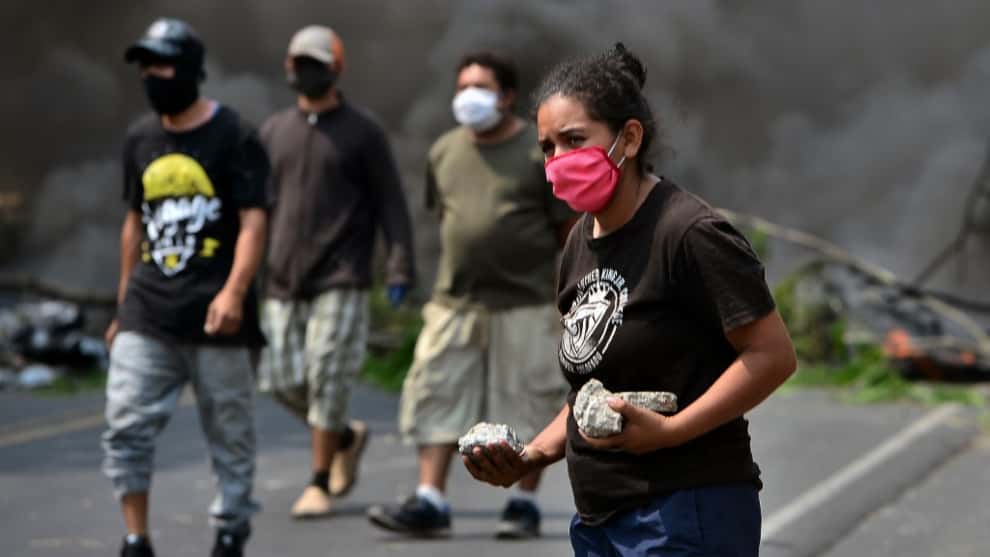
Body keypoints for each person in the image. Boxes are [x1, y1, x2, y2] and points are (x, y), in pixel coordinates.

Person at [462, 43, 797, 557]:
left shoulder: (688, 233)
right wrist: (532, 455)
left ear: (631, 138)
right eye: (548, 147)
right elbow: (593, 390)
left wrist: (671, 431)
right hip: (601, 520)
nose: (558, 161)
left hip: (684, 511)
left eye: (575, 140)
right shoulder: (579, 243)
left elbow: (772, 355)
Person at [367, 51, 575, 539]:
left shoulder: (537, 152)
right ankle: (430, 500)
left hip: (526, 303)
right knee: (435, 394)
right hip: (455, 303)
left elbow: (567, 230)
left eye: (480, 87)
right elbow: (449, 219)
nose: (468, 97)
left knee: (532, 401)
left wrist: (569, 296)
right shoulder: (444, 151)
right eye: (462, 87)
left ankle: (523, 504)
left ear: (507, 96)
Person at [102, 18, 270, 557]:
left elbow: (253, 221)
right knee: (125, 426)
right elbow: (135, 224)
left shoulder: (235, 135)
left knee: (230, 435)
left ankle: (230, 531)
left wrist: (234, 292)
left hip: (216, 317)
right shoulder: (140, 139)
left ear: (192, 70)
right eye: (145, 67)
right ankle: (136, 538)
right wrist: (123, 305)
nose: (152, 77)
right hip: (148, 310)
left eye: (163, 65)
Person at [258, 25, 416, 519]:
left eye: (316, 64)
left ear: (336, 69)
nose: (306, 71)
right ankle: (345, 436)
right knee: (279, 379)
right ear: (288, 67)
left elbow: (391, 203)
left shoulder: (362, 132)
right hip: (283, 278)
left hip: (342, 274)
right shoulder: (274, 132)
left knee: (327, 373)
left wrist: (399, 265)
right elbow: (256, 210)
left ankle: (319, 481)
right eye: (299, 63)